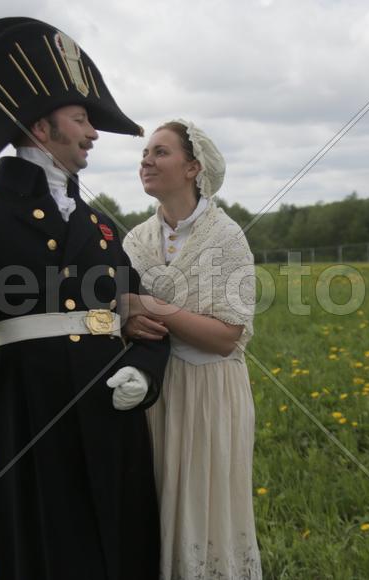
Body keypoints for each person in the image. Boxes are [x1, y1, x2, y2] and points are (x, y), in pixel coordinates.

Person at [0, 18, 169, 580]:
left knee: (124, 551)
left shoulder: (101, 224)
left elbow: (144, 312)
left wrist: (145, 369)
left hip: (113, 418)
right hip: (31, 419)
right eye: (81, 119)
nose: (93, 133)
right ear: (40, 125)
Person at [122, 120, 262, 579]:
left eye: (160, 152)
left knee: (203, 510)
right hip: (151, 396)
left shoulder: (225, 238)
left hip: (209, 394)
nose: (146, 160)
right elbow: (119, 311)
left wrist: (153, 307)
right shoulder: (136, 241)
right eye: (145, 152)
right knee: (153, 509)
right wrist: (127, 316)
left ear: (193, 167)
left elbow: (227, 337)